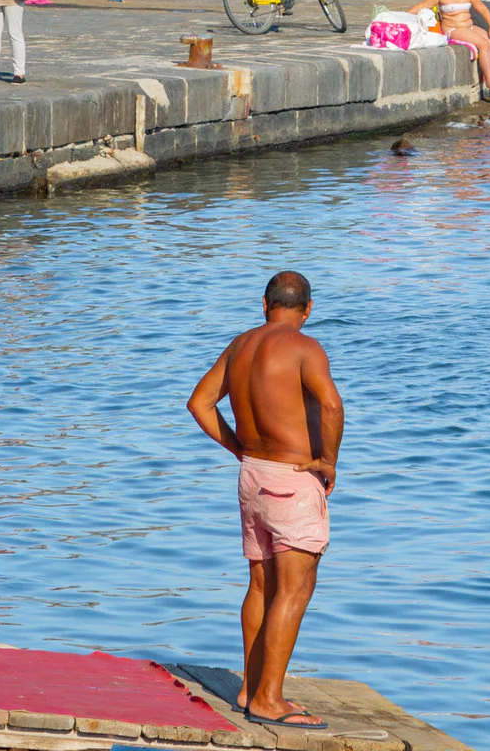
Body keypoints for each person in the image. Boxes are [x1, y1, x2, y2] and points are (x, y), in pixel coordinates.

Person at [185, 271, 344, 731]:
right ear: (308, 309)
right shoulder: (306, 347)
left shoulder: (240, 345)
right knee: (295, 589)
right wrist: (328, 461)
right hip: (292, 478)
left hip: (251, 475)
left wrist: (237, 447)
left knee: (261, 584)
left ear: (264, 304)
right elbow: (331, 406)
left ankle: (250, 689)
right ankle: (269, 699)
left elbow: (200, 403)